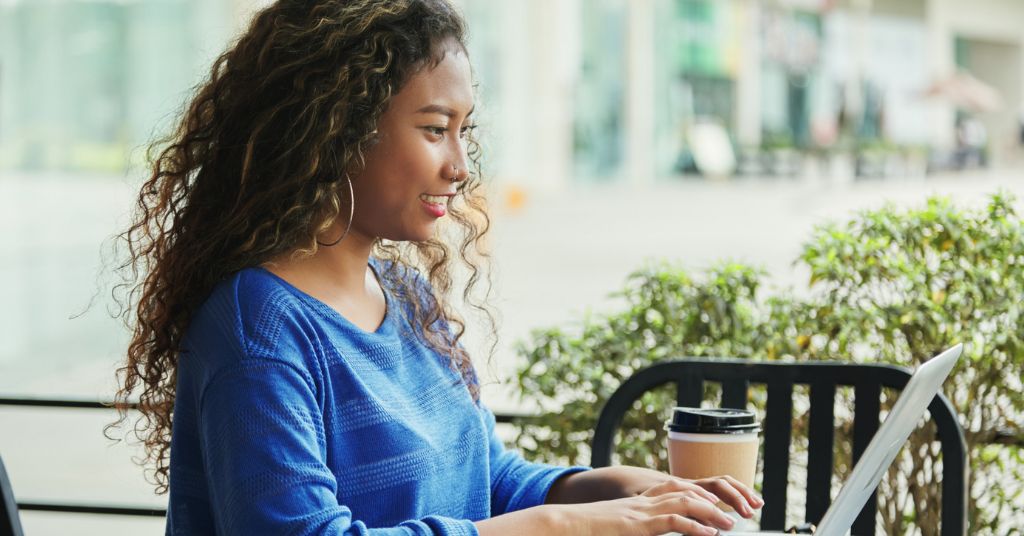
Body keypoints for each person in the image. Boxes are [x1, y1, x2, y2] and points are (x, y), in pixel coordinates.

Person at [108, 1, 763, 534]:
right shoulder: (258, 329)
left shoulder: (404, 292)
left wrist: (617, 487)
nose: (461, 165)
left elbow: (485, 479)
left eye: (464, 130)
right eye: (433, 128)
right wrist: (570, 524)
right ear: (335, 131)